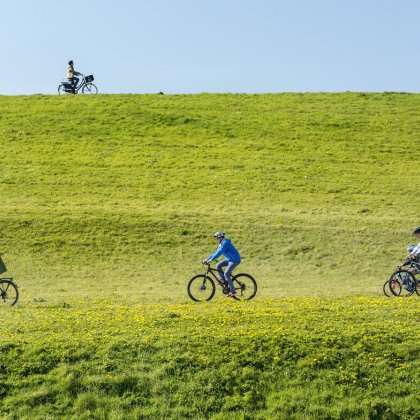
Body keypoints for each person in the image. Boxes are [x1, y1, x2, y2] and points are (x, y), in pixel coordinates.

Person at [203, 232, 241, 298]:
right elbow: (216, 252)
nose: (216, 240)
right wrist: (207, 259)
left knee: (226, 273)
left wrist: (211, 260)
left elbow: (220, 252)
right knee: (218, 265)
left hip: (235, 260)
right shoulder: (221, 244)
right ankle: (223, 281)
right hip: (229, 259)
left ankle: (233, 291)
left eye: (217, 238)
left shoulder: (225, 243)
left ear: (220, 238)